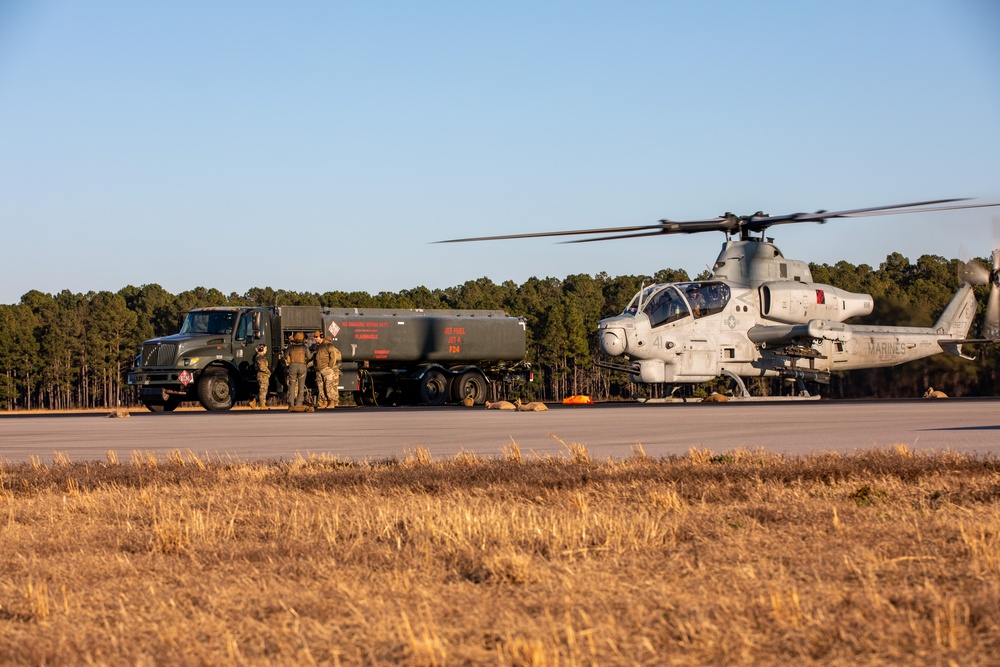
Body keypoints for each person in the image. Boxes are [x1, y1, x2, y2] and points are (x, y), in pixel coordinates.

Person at [312, 330, 342, 409]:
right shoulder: (318, 346)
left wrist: (329, 367)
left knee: (328, 387)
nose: (315, 339)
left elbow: (333, 357)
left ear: (321, 336)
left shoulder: (328, 345)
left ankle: (331, 402)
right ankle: (324, 401)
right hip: (319, 370)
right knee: (321, 387)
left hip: (326, 369)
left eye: (317, 337)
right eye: (315, 337)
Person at [283, 331, 312, 409]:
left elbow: (285, 356)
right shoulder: (304, 347)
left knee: (291, 386)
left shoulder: (290, 347)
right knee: (301, 386)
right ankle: (299, 403)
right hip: (302, 366)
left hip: (293, 366)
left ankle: (291, 404)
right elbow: (309, 357)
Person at [252, 343, 270, 409]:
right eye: (265, 349)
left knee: (262, 390)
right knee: (263, 390)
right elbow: (262, 367)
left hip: (262, 375)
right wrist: (268, 372)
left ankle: (254, 402)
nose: (266, 350)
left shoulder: (259, 357)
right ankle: (262, 405)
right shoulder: (260, 357)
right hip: (262, 375)